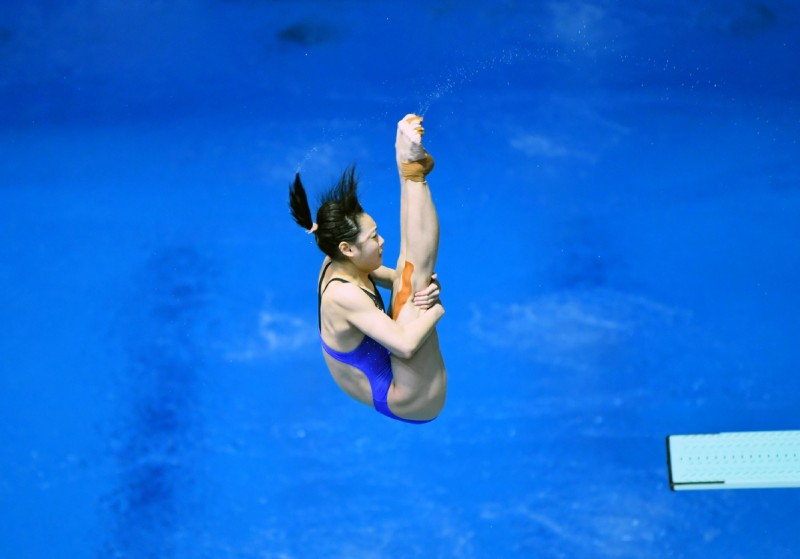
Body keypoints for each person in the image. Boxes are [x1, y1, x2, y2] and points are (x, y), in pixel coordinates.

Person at [289, 114, 446, 423]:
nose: (382, 240)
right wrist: (437, 308)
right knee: (414, 286)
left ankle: (412, 172)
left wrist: (427, 289)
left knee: (410, 278)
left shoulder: (337, 259)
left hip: (388, 375)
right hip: (408, 399)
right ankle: (412, 173)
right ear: (347, 249)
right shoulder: (343, 296)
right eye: (373, 238)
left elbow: (393, 277)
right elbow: (404, 345)